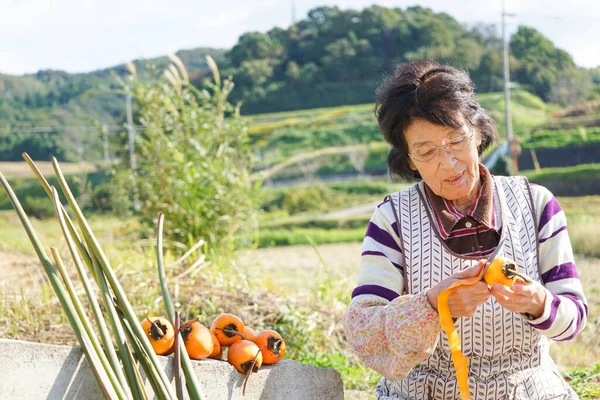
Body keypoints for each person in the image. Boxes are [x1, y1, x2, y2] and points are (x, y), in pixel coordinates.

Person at [343, 60, 588, 400]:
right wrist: (433, 304)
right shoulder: (393, 219)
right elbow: (363, 333)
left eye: (456, 139)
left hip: (529, 390)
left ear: (477, 131)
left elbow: (574, 319)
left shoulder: (536, 204)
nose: (449, 162)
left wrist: (538, 302)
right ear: (410, 159)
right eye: (427, 151)